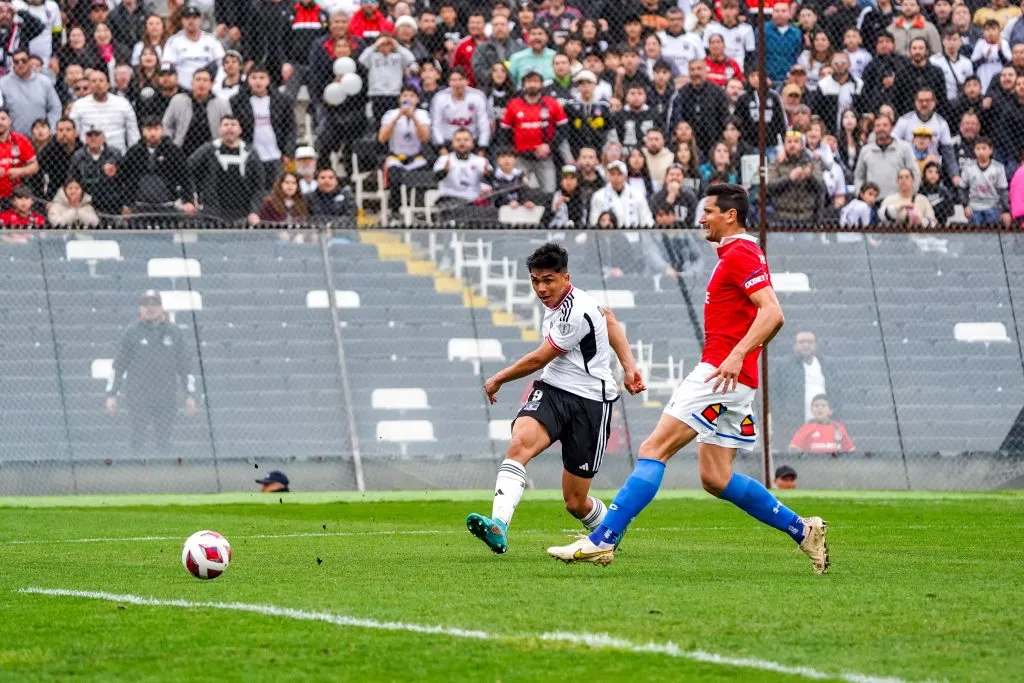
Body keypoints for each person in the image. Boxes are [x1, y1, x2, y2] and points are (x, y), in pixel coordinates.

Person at [548, 183, 829, 575]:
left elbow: (773, 313)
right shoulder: (736, 252)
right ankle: (803, 530)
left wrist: (735, 354)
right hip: (735, 380)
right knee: (715, 478)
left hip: (718, 374)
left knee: (653, 449)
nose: (702, 218)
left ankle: (602, 539)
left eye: (709, 211)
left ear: (730, 215)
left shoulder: (742, 251)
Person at [465, 242, 645, 554]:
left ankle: (610, 530)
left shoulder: (576, 310)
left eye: (548, 280)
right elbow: (610, 318)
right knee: (519, 443)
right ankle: (498, 525)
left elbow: (539, 359)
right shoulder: (566, 305)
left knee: (575, 502)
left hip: (590, 402)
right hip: (553, 391)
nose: (541, 288)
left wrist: (497, 378)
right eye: (535, 280)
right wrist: (629, 367)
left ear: (565, 278)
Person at [106, 290, 198, 458]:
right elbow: (118, 366)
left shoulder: (174, 332)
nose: (150, 308)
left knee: (164, 441)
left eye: (154, 304)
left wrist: (190, 394)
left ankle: (165, 479)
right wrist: (112, 394)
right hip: (138, 397)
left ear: (161, 307)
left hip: (166, 396)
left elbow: (185, 366)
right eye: (146, 305)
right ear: (140, 308)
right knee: (137, 440)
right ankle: (135, 478)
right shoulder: (131, 332)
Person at [499, 69, 570, 193]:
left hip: (545, 158)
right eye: (529, 81)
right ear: (523, 84)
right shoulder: (513, 104)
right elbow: (504, 132)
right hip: (521, 159)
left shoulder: (552, 103)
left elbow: (564, 129)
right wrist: (514, 151)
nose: (532, 84)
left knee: (549, 192)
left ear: (542, 84)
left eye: (536, 81)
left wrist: (550, 146)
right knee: (519, 192)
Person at [187, 115, 264, 225]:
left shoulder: (251, 153)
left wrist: (254, 211)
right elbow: (186, 170)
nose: (229, 128)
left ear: (240, 130)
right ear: (219, 129)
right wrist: (191, 198)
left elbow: (259, 186)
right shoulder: (208, 149)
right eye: (226, 125)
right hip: (213, 212)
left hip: (242, 212)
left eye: (233, 125)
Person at [230, 64, 295, 188]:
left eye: (262, 77)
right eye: (254, 78)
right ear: (248, 80)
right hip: (250, 155)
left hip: (275, 154)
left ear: (268, 80)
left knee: (275, 190)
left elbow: (290, 127)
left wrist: (288, 152)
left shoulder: (282, 100)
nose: (258, 81)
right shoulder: (237, 101)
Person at [119, 116, 195, 217]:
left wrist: (189, 201)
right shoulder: (135, 151)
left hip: (168, 204)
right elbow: (124, 177)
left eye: (156, 129)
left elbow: (185, 177)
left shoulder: (173, 151)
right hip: (139, 204)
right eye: (149, 129)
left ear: (162, 131)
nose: (153, 133)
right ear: (143, 131)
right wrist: (126, 203)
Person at [379, 84, 431, 209]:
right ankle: (395, 211)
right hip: (396, 158)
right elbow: (382, 138)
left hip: (416, 158)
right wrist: (397, 118)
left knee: (422, 178)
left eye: (412, 96)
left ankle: (418, 210)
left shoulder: (422, 114)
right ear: (399, 99)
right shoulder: (390, 114)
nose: (408, 98)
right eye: (405, 95)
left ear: (417, 99)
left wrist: (413, 117)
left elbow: (425, 138)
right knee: (395, 178)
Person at [163, 69, 232, 158]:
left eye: (205, 80)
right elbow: (166, 124)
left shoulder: (222, 104)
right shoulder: (178, 100)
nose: (201, 83)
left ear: (211, 84)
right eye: (198, 79)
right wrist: (171, 145)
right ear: (192, 83)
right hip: (182, 150)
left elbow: (228, 127)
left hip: (212, 153)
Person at [68, 69, 140, 154]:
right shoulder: (79, 105)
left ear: (108, 84)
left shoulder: (123, 104)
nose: (98, 83)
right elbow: (74, 132)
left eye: (101, 80)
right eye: (94, 81)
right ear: (89, 85)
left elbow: (133, 133)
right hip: (88, 156)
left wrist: (133, 155)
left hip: (118, 155)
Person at [766, 130, 825, 224]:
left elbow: (820, 187)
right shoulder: (776, 163)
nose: (792, 145)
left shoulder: (811, 163)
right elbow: (770, 186)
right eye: (789, 142)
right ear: (784, 145)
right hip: (782, 216)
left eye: (796, 142)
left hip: (807, 216)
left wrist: (809, 177)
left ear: (802, 145)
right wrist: (789, 178)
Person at [854, 115, 919, 199]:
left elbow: (915, 173)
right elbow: (859, 176)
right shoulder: (865, 150)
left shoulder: (904, 148)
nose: (881, 128)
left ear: (892, 127)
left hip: (898, 201)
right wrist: (861, 195)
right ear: (874, 129)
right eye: (878, 125)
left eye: (885, 125)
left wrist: (910, 195)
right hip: (873, 202)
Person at [0, 49, 61, 136]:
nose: (20, 64)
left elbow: (55, 108)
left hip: (40, 137)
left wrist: (50, 128)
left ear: (29, 63)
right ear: (13, 65)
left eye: (23, 61)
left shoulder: (44, 82)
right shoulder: (3, 84)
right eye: (16, 62)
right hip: (14, 138)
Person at [161, 5, 225, 86]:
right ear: (182, 20)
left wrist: (217, 83)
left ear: (200, 20)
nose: (191, 21)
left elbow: (222, 63)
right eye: (187, 18)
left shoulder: (211, 40)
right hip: (182, 88)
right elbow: (166, 66)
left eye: (194, 18)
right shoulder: (174, 41)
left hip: (208, 87)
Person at [359, 32, 416, 122]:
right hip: (377, 94)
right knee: (378, 120)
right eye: (382, 45)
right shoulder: (373, 57)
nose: (385, 48)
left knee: (393, 119)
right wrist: (375, 45)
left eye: (388, 45)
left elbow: (411, 58)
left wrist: (397, 46)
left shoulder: (398, 57)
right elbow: (362, 59)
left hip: (394, 94)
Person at [429, 67, 490, 150]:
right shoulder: (440, 98)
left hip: (472, 141)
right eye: (453, 80)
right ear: (449, 82)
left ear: (467, 81)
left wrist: (482, 147)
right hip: (447, 142)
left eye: (460, 79)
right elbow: (436, 125)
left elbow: (484, 125)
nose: (457, 83)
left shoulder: (478, 97)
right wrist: (441, 147)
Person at [68, 127, 122, 215]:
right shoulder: (78, 156)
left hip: (112, 202)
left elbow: (123, 179)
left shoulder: (115, 154)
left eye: (96, 135)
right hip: (86, 201)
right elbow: (72, 179)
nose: (93, 138)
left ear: (103, 138)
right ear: (85, 138)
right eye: (89, 135)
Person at [960, 136, 1012, 225]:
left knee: (993, 235)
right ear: (974, 150)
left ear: (990, 150)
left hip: (993, 207)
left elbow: (1003, 191)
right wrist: (965, 206)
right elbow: (962, 188)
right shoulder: (968, 167)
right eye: (978, 148)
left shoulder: (998, 168)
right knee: (975, 236)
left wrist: (1006, 210)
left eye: (984, 148)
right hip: (974, 208)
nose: (981, 152)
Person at [588, 160, 654, 227]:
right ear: (608, 176)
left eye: (619, 174)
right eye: (612, 174)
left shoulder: (637, 195)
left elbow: (646, 219)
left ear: (625, 176)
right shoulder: (599, 196)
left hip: (633, 236)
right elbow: (594, 221)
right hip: (607, 236)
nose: (616, 177)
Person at [789, 394, 855, 455]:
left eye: (823, 406)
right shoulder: (806, 428)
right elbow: (794, 448)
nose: (819, 408)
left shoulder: (838, 428)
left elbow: (850, 450)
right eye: (816, 406)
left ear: (830, 411)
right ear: (812, 410)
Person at [0, 106, 38, 201]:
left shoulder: (20, 140)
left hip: (16, 196)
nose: (0, 122)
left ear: (10, 121)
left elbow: (35, 166)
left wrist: (20, 171)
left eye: (3, 119)